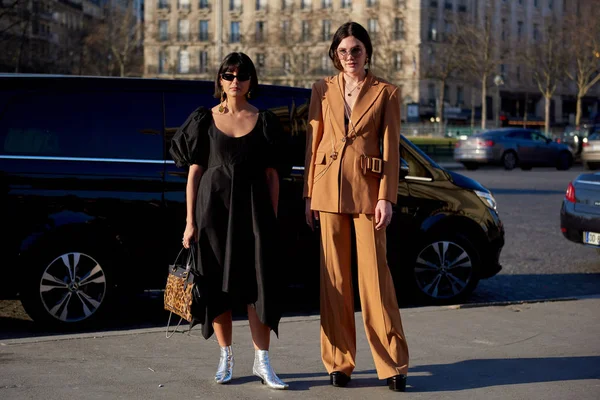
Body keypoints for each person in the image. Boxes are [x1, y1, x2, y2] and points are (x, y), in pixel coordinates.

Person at [170, 52, 289, 390]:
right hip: (212, 216)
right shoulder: (203, 120)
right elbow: (194, 173)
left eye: (242, 75)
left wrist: (272, 219)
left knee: (258, 287)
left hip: (254, 215)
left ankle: (262, 362)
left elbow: (272, 176)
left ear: (251, 82)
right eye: (229, 74)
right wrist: (189, 223)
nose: (235, 80)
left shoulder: (264, 121)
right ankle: (225, 357)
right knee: (217, 288)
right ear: (220, 80)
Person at [303, 22, 410, 392]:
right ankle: (338, 362)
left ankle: (393, 364)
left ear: (368, 53)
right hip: (327, 190)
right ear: (335, 54)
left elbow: (391, 150)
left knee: (375, 282)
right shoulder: (321, 89)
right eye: (344, 51)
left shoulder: (386, 93)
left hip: (368, 192)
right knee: (333, 281)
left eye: (357, 50)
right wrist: (308, 195)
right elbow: (313, 144)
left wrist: (386, 197)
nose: (350, 57)